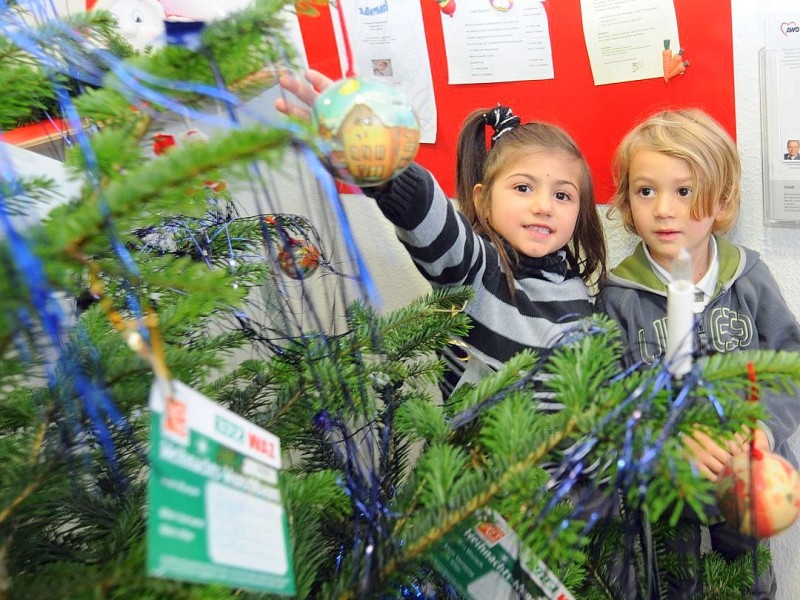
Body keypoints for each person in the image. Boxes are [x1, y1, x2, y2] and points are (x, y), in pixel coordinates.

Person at [276, 69, 607, 398]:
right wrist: (384, 165)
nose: (543, 206)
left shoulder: (577, 288)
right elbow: (430, 217)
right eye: (523, 187)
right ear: (483, 202)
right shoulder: (478, 269)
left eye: (562, 195)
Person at [600, 108, 800, 599]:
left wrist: (764, 428)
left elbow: (790, 365)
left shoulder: (746, 278)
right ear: (627, 200)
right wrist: (664, 442)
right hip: (663, 494)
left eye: (684, 191)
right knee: (672, 587)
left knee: (749, 587)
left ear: (723, 200)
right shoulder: (618, 295)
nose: (664, 210)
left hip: (748, 484)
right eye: (646, 191)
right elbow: (605, 398)